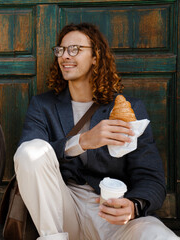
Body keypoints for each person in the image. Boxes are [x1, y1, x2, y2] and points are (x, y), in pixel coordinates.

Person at [13, 23, 179, 240]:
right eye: (61, 50)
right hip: (62, 214)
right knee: (31, 150)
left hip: (113, 220)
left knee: (158, 235)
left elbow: (151, 177)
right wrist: (82, 141)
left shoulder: (129, 109)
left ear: (95, 57)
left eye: (75, 49)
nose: (64, 56)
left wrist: (133, 206)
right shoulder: (42, 106)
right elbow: (28, 160)